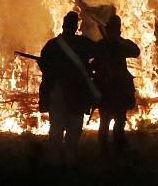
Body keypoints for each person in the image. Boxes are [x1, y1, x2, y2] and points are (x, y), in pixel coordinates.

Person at [37, 11, 98, 165]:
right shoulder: (83, 43)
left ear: (64, 26)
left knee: (56, 126)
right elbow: (99, 53)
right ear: (75, 26)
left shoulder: (52, 44)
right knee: (74, 126)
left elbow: (44, 66)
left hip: (57, 91)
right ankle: (70, 158)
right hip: (76, 93)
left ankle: (55, 160)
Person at [95, 14, 140, 156]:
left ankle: (117, 148)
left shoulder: (119, 45)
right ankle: (106, 150)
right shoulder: (102, 45)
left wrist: (117, 42)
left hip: (118, 90)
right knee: (106, 121)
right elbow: (95, 63)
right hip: (108, 89)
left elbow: (136, 51)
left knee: (118, 121)